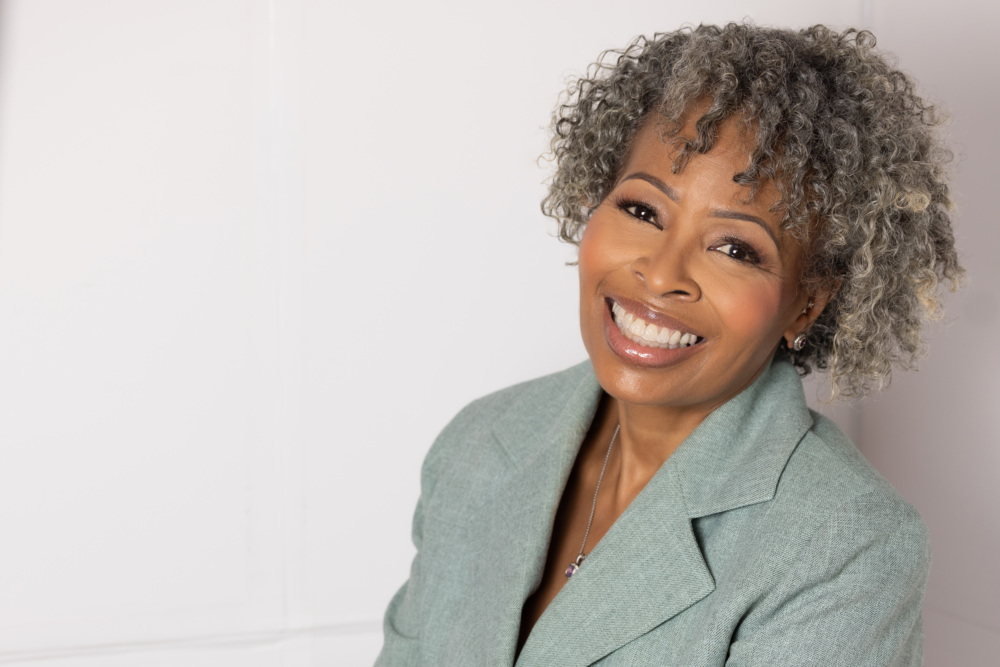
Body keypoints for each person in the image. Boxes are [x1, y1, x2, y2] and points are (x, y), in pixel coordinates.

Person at [375, 23, 962, 666]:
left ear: (807, 302)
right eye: (643, 211)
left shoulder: (845, 545)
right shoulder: (477, 445)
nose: (660, 275)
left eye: (735, 248)